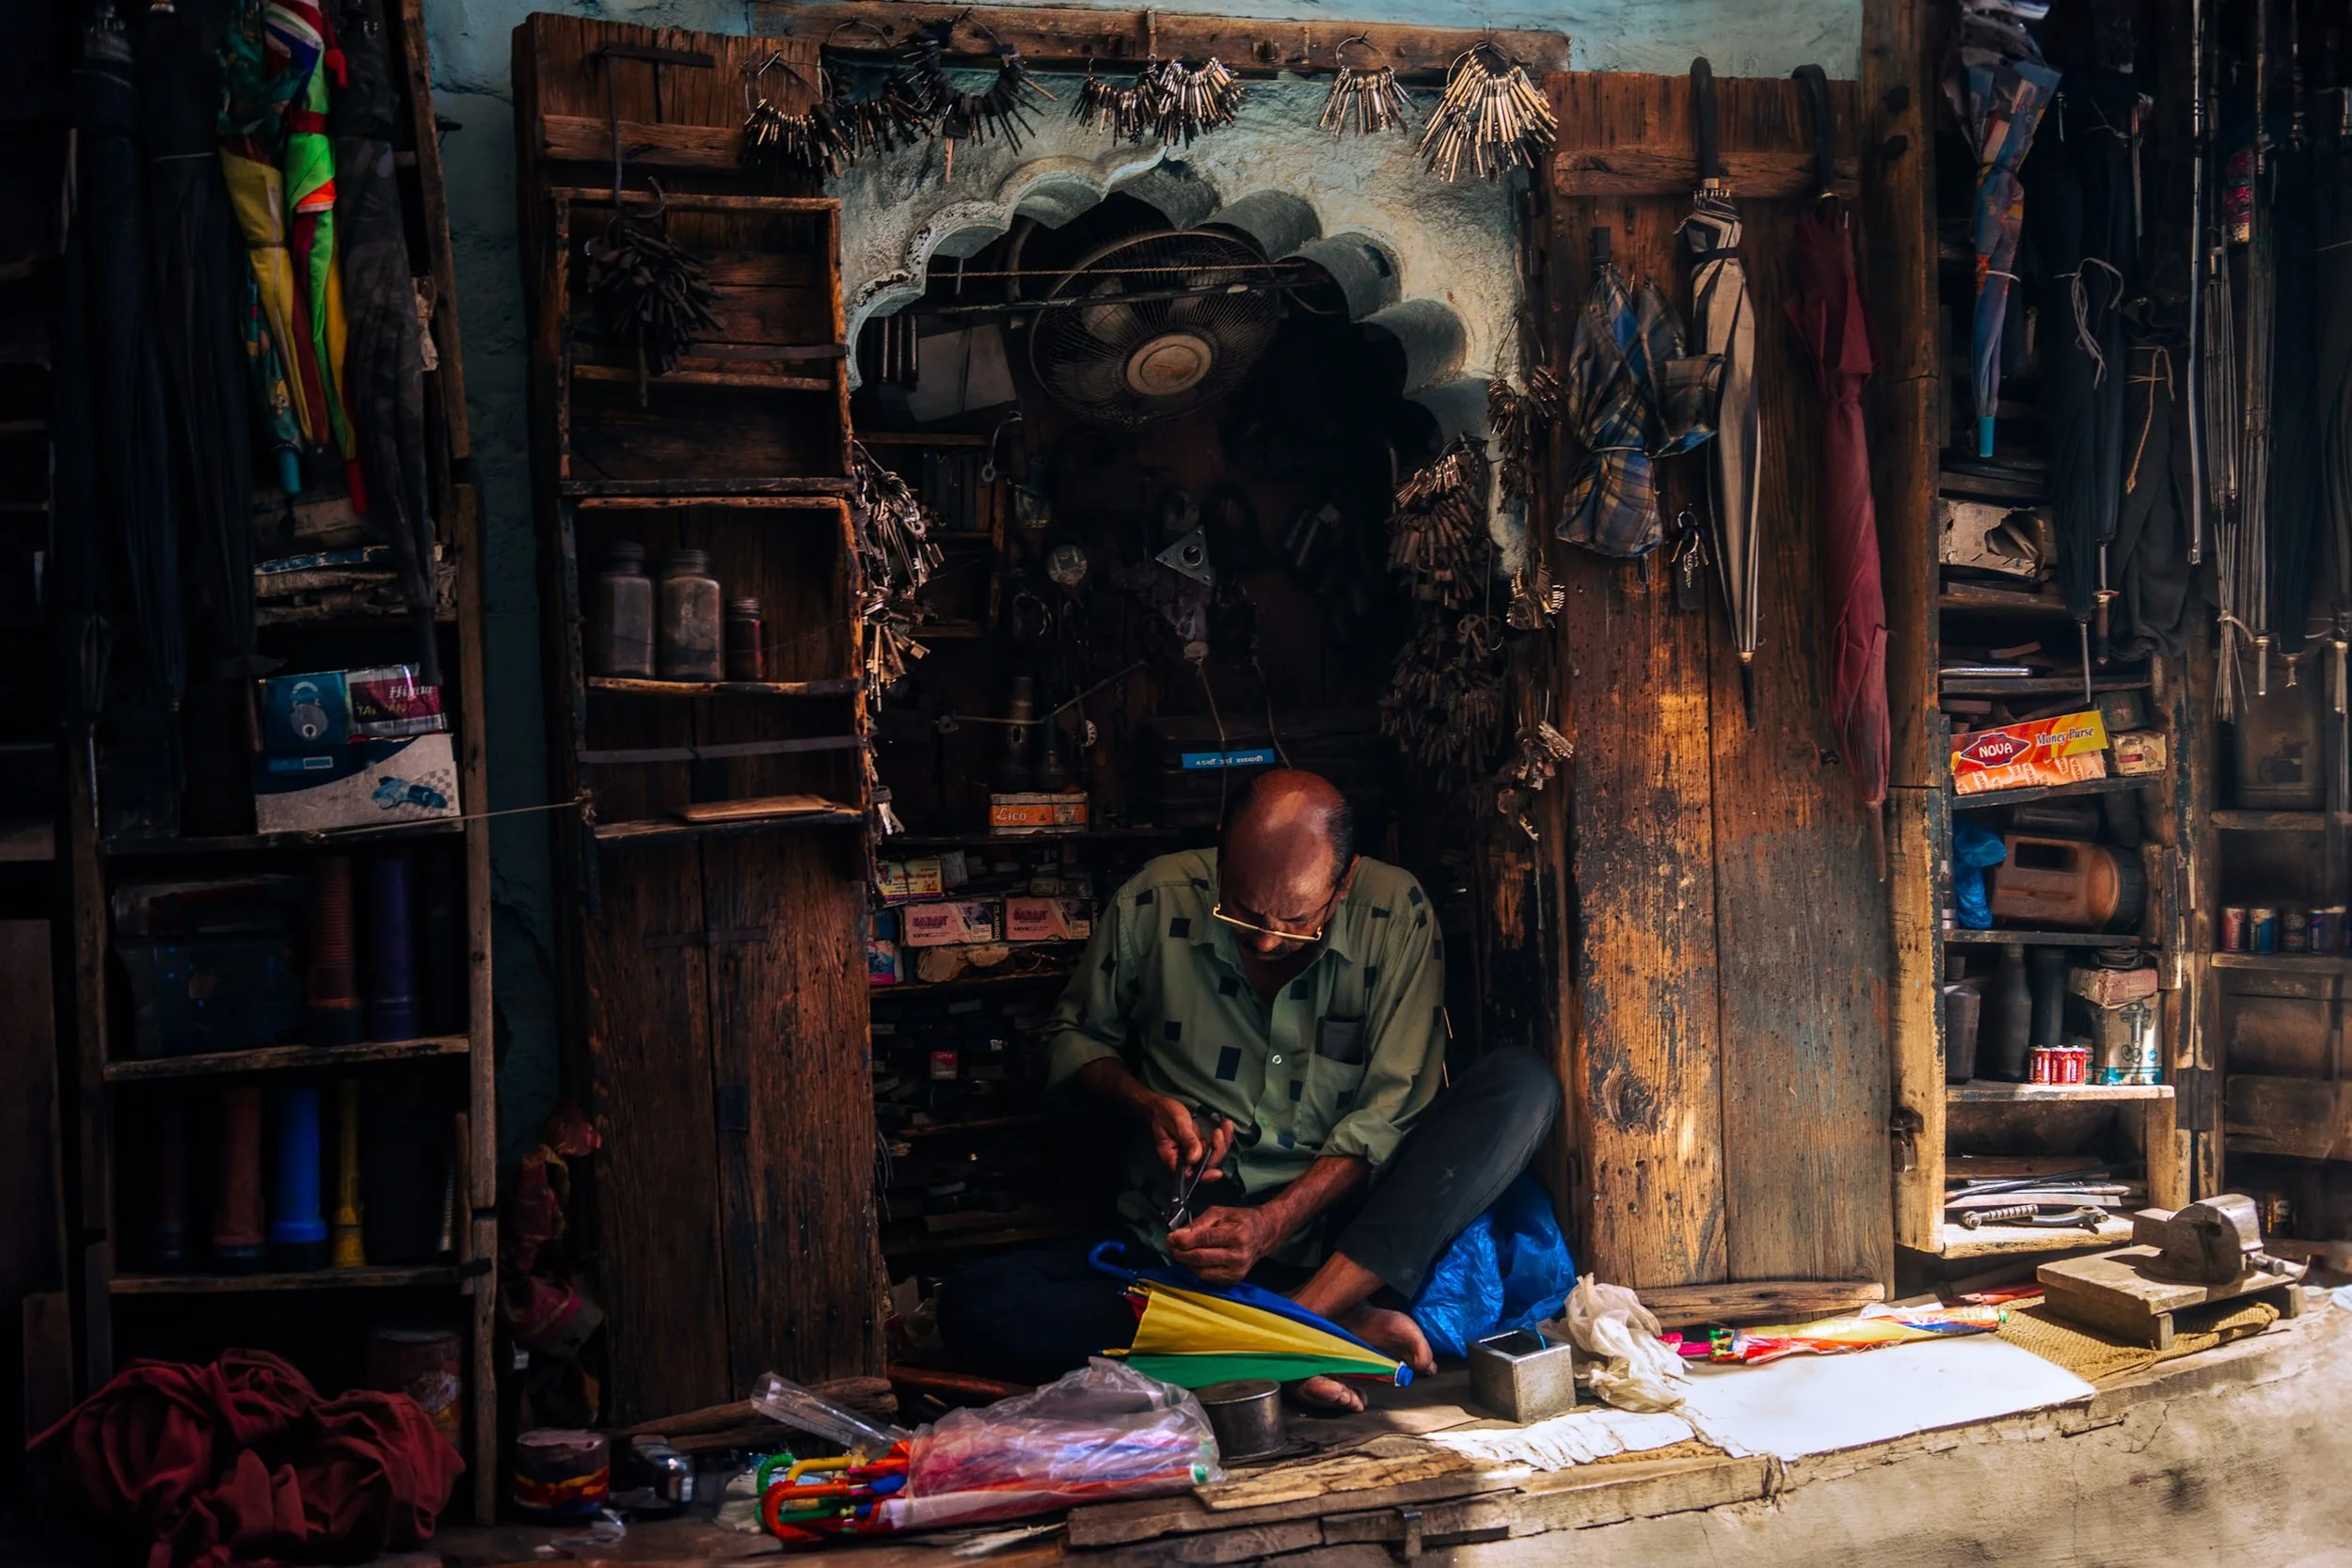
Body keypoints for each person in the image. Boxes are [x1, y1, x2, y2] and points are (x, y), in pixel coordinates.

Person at [937, 768, 1559, 1412]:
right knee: (976, 1306)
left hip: (1343, 1250)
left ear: (1342, 884)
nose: (1264, 940)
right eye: (1241, 910)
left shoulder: (1393, 913)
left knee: (1523, 1086)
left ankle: (1293, 1327)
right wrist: (1144, 1102)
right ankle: (1315, 1336)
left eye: (1295, 920)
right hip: (1184, 1270)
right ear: (1219, 849)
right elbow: (1068, 1041)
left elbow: (1388, 1115)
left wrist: (1273, 1222)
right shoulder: (1155, 899)